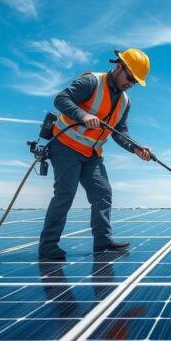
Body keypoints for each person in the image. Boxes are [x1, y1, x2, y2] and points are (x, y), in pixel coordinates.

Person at [38, 49, 153, 260]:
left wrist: (136, 148)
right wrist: (82, 114)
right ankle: (48, 247)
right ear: (119, 67)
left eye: (135, 82)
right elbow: (61, 99)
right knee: (65, 194)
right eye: (130, 78)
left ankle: (103, 243)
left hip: (92, 154)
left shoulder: (125, 101)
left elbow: (121, 132)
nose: (131, 84)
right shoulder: (92, 82)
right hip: (66, 146)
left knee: (103, 194)